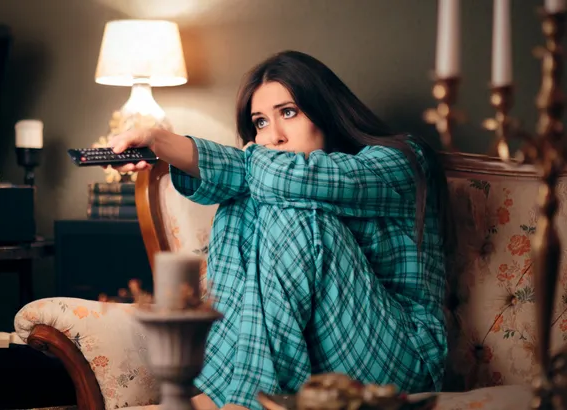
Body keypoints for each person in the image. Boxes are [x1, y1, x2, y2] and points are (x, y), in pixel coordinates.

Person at [107, 50, 454, 410]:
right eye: (260, 123)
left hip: (399, 359)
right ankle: (227, 392)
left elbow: (290, 176)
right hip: (312, 362)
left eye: (288, 113)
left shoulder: (402, 160)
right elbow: (252, 176)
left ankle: (243, 402)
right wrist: (157, 140)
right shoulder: (272, 174)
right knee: (243, 200)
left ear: (327, 111)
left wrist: (243, 157)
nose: (273, 136)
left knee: (292, 209)